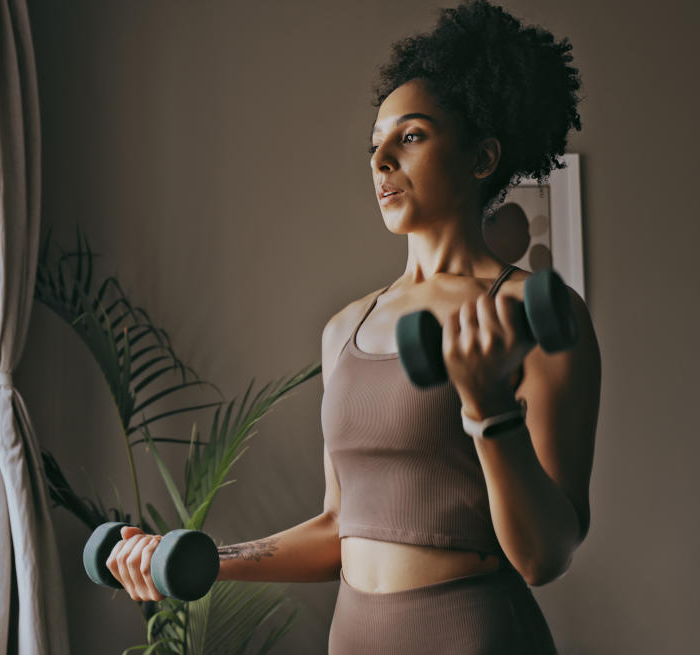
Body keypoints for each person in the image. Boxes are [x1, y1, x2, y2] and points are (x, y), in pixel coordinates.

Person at [107, 1, 600, 651]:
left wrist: (488, 412)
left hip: (473, 634)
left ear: (482, 158)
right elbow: (340, 525)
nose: (381, 160)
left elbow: (546, 556)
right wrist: (194, 560)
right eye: (375, 145)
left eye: (412, 136)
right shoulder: (344, 327)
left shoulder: (534, 314)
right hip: (355, 636)